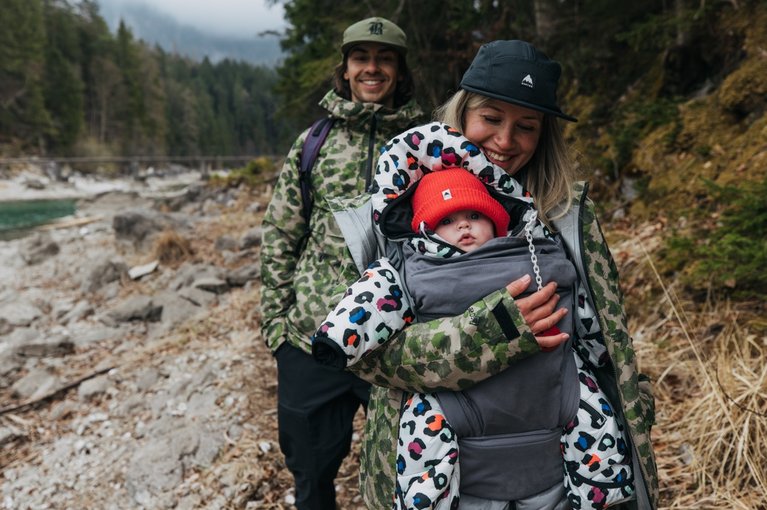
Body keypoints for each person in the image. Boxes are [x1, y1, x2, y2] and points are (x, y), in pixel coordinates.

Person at [319, 40, 659, 510]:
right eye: (491, 118)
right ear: (460, 115)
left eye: (526, 126)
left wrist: (624, 405)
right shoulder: (393, 213)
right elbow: (365, 357)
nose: (505, 140)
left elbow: (604, 333)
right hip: (444, 461)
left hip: (561, 463)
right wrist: (488, 334)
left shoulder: (566, 213)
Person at [259, 16, 425, 510]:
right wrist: (275, 326)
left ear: (399, 70)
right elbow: (280, 232)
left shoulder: (428, 143)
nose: (372, 68)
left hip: (398, 341)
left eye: (384, 59)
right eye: (361, 58)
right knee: (310, 474)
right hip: (311, 339)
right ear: (346, 69)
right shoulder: (313, 143)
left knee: (408, 475)